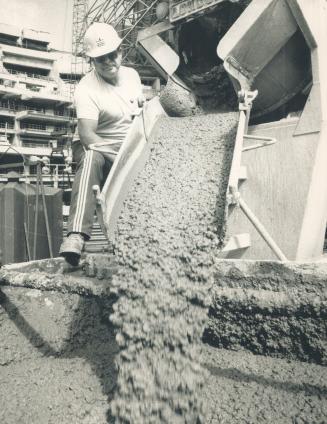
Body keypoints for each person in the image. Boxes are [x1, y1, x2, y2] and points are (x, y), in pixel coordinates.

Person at [59, 22, 144, 266]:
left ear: (120, 51)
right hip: (95, 146)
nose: (109, 62)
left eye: (113, 54)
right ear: (92, 62)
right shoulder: (86, 89)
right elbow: (87, 135)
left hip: (126, 147)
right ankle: (76, 235)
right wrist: (121, 158)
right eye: (101, 59)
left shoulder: (133, 77)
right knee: (91, 157)